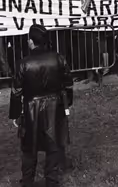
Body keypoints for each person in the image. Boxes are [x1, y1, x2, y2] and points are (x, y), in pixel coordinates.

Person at [9, 24, 73, 187]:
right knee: (53, 146)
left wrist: (15, 114)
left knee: (29, 148)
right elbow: (68, 84)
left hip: (31, 110)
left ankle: (28, 182)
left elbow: (16, 91)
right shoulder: (59, 58)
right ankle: (51, 181)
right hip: (55, 107)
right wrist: (67, 104)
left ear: (31, 41)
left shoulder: (22, 63)